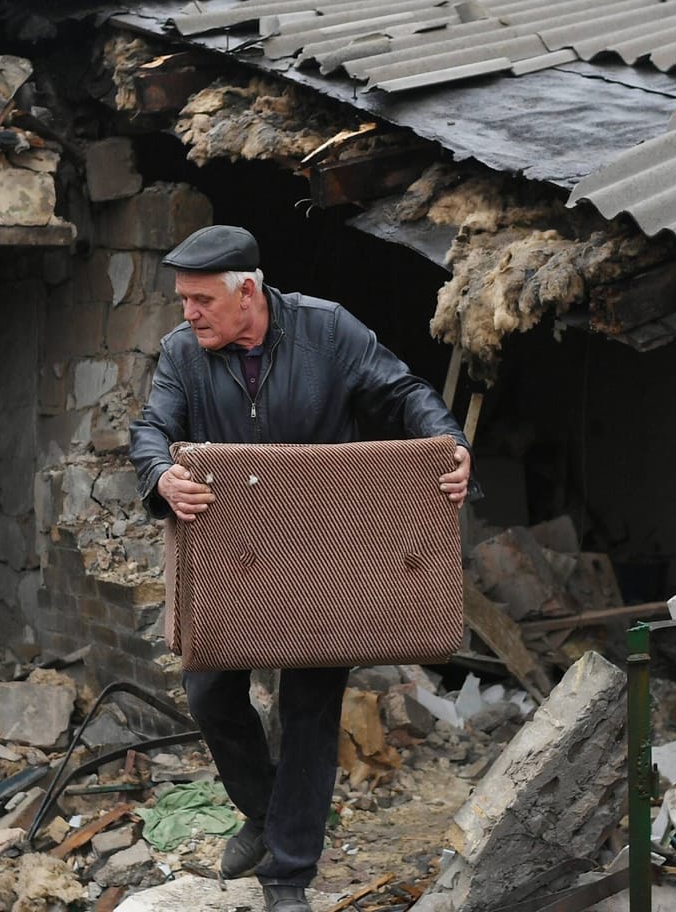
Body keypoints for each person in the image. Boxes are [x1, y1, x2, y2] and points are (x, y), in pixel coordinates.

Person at [129, 225, 471, 912]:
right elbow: (150, 430)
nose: (187, 314)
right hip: (231, 558)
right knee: (209, 694)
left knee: (310, 711)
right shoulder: (181, 355)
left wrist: (451, 445)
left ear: (247, 292)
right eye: (183, 300)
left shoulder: (328, 332)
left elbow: (404, 392)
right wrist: (162, 474)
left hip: (322, 552)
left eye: (200, 300)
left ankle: (287, 875)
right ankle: (263, 811)